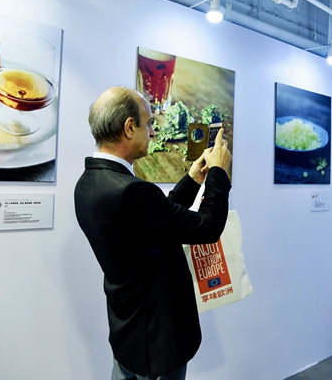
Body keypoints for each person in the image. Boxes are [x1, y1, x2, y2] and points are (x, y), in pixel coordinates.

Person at [74, 86, 232, 380]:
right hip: (157, 340)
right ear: (129, 127)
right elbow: (208, 228)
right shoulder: (132, 191)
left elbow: (155, 223)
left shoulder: (89, 182)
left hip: (128, 331)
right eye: (148, 124)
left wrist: (193, 180)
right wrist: (219, 173)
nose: (153, 132)